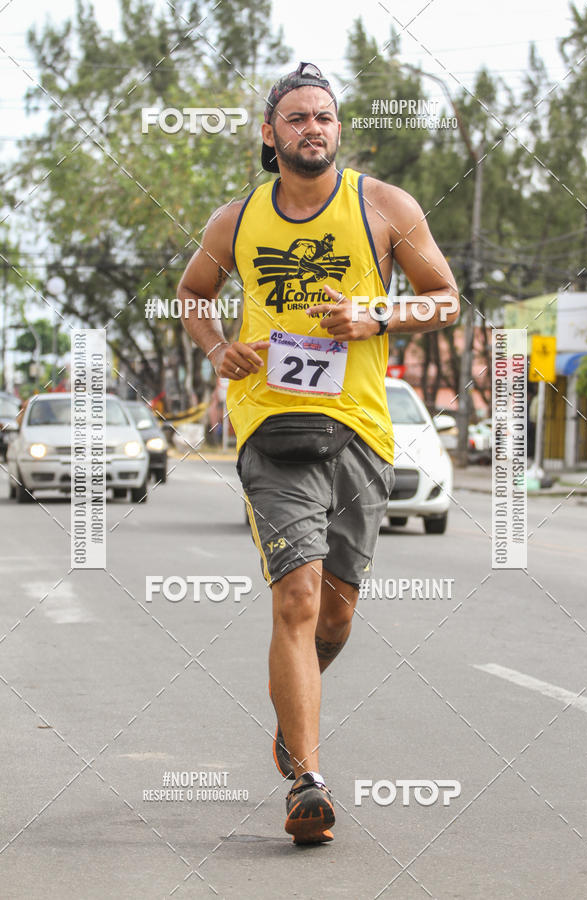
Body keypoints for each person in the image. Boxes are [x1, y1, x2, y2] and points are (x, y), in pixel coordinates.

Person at [178, 61, 459, 845]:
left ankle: (290, 707)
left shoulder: (384, 207)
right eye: (297, 117)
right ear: (270, 135)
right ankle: (307, 779)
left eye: (325, 117)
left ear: (339, 130)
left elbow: (445, 298)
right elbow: (193, 294)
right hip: (272, 423)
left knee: (335, 615)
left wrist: (377, 314)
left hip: (361, 427)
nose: (313, 128)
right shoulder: (236, 221)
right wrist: (218, 349)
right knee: (296, 600)